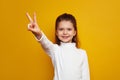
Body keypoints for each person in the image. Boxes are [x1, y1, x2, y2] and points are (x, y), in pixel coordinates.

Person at [26, 12, 90, 80]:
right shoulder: (55, 50)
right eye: (61, 29)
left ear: (74, 32)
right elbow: (46, 43)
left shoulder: (82, 53)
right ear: (56, 32)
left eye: (69, 29)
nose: (65, 32)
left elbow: (86, 77)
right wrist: (38, 34)